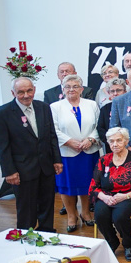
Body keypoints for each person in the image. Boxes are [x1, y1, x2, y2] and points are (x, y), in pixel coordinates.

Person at [0, 77, 62, 231]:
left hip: (46, 167)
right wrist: (9, 171)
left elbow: (51, 135)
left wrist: (57, 160)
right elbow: (1, 146)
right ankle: (25, 237)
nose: (26, 95)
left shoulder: (43, 107)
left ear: (34, 90)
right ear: (13, 93)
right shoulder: (2, 114)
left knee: (47, 204)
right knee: (26, 208)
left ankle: (46, 233)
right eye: (20, 92)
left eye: (29, 90)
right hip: (22, 171)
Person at [51, 74, 100, 232]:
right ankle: (72, 215)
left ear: (82, 89)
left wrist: (91, 139)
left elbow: (99, 125)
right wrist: (69, 141)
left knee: (87, 183)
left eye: (75, 86)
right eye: (68, 87)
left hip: (88, 151)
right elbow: (53, 129)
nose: (71, 89)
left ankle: (86, 213)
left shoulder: (92, 104)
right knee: (67, 185)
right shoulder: (55, 107)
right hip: (66, 152)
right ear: (63, 89)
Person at [91, 127, 131, 261]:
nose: (115, 144)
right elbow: (93, 187)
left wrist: (126, 196)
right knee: (99, 214)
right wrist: (104, 197)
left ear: (126, 141)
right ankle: (112, 241)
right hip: (107, 196)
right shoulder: (103, 160)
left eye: (119, 140)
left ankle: (128, 245)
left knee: (119, 216)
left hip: (130, 196)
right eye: (111, 141)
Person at [97, 78, 127, 148]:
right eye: (112, 91)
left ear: (125, 92)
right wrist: (111, 141)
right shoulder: (105, 109)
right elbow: (100, 129)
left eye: (119, 90)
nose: (115, 93)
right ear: (109, 93)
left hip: (129, 146)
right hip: (111, 146)